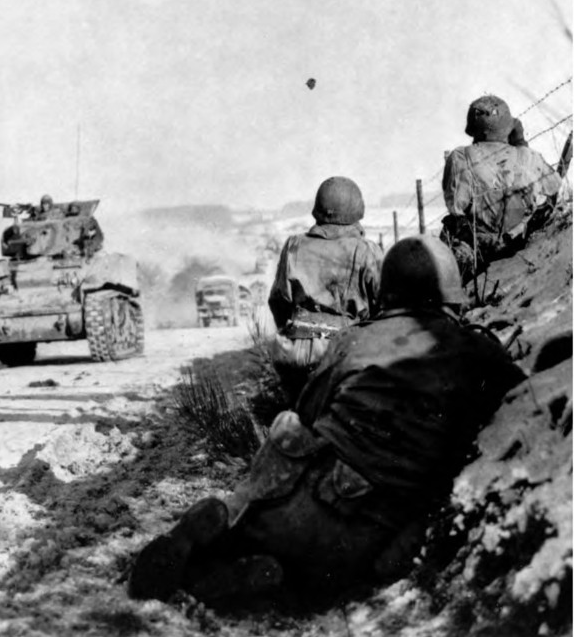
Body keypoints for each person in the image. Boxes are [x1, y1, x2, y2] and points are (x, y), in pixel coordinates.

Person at [128, 236, 525, 606]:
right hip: (371, 519)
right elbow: (519, 399)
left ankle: (220, 526)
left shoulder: (353, 339)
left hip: (304, 493)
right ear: (452, 294)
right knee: (355, 571)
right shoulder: (478, 352)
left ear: (387, 290)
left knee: (273, 477)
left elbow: (308, 413)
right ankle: (277, 583)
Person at [267, 176, 382, 402]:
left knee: (299, 410)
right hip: (347, 350)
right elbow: (383, 306)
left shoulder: (293, 245)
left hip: (297, 350)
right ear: (357, 211)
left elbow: (278, 300)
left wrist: (296, 332)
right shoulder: (367, 251)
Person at [440, 95, 561, 278]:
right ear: (509, 126)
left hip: (478, 249)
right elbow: (554, 186)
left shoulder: (461, 157)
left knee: (449, 227)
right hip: (519, 243)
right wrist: (521, 144)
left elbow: (456, 206)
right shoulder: (528, 156)